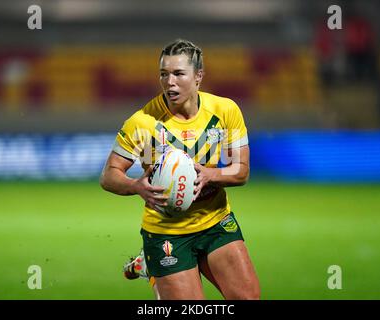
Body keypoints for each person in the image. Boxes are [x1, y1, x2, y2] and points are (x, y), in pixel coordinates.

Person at [100, 39, 260, 300]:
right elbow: (109, 176)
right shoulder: (142, 123)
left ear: (198, 76)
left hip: (215, 222)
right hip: (167, 232)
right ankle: (153, 262)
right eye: (163, 74)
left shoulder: (225, 111)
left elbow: (241, 171)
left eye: (178, 74)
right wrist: (135, 186)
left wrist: (212, 175)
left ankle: (147, 264)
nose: (169, 82)